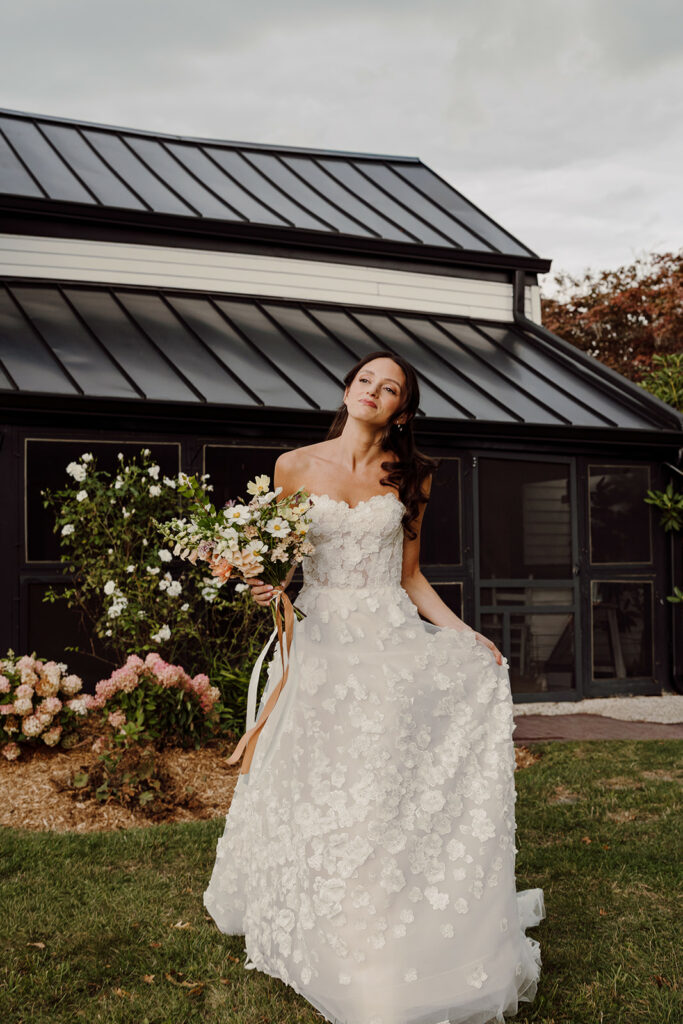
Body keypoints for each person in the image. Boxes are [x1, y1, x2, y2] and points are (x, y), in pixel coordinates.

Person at [203, 350, 545, 1024]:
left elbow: (409, 575)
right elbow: (274, 557)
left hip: (385, 643)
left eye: (389, 388)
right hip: (319, 643)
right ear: (348, 389)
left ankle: (380, 919)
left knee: (381, 785)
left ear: (401, 410)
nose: (372, 392)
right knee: (314, 781)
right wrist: (255, 580)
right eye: (366, 380)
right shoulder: (294, 466)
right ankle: (311, 908)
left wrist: (461, 633)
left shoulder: (410, 476)